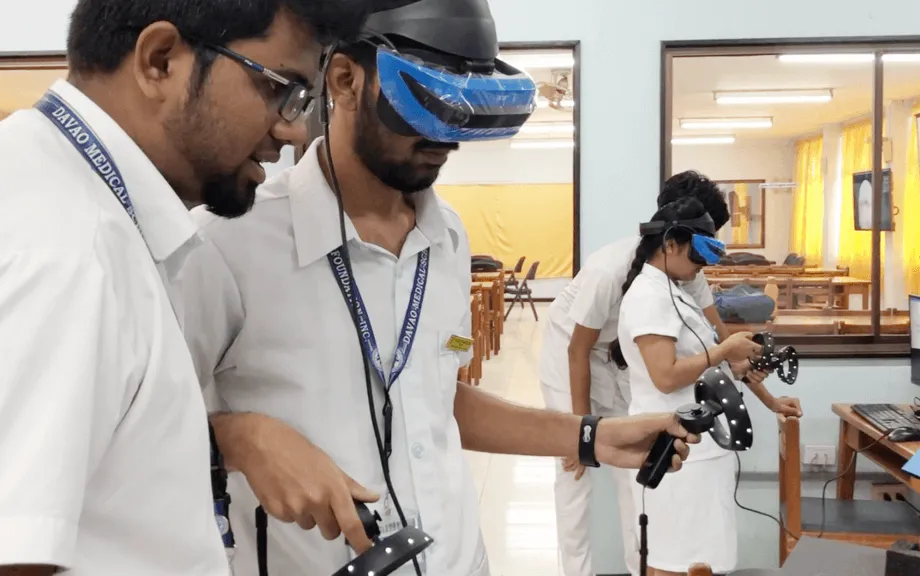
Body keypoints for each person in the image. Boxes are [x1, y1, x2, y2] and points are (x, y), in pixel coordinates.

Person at [170, 1, 699, 575]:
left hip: (457, 559)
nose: (447, 140)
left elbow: (436, 395)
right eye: (425, 107)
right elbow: (141, 428)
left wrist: (590, 436)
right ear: (346, 81)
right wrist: (237, 436)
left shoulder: (446, 237)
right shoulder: (224, 246)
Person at [0, 1, 379, 574]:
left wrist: (236, 435)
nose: (291, 128)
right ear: (160, 62)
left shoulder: (56, 188)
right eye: (281, 90)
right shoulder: (70, 251)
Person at [537, 171, 731, 576]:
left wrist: (750, 371)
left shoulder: (685, 268)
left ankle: (641, 567)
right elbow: (578, 349)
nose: (705, 259)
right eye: (703, 243)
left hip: (617, 357)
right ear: (678, 234)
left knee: (638, 469)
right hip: (569, 352)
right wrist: (580, 431)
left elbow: (717, 334)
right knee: (576, 469)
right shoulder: (609, 268)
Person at [612, 198, 803, 576]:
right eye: (696, 258)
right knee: (674, 563)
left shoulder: (673, 289)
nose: (700, 268)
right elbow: (665, 376)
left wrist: (766, 396)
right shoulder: (650, 297)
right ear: (670, 245)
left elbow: (706, 368)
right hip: (676, 449)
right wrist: (724, 350)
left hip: (697, 450)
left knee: (700, 561)